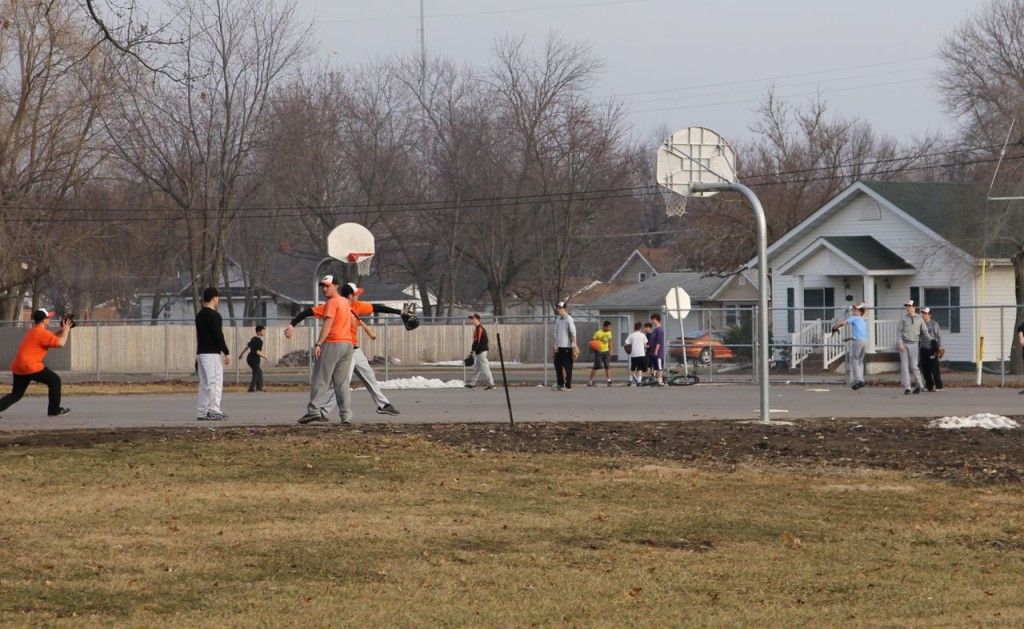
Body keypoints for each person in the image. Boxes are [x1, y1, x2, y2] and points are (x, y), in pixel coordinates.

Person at [285, 280, 400, 419]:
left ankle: (383, 405)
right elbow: (307, 312)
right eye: (356, 294)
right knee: (342, 383)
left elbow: (377, 308)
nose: (358, 296)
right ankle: (323, 411)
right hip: (345, 348)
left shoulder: (357, 306)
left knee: (369, 376)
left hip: (355, 349)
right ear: (350, 296)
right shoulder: (334, 304)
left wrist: (399, 312)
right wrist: (292, 324)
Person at [0, 308, 72, 418]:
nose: (49, 319)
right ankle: (54, 410)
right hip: (31, 366)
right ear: (44, 320)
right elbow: (61, 343)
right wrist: (66, 331)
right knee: (55, 380)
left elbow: (50, 337)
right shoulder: (42, 333)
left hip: (19, 367)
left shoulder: (34, 331)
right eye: (48, 317)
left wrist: (61, 332)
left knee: (16, 394)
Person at [195, 287, 231, 420]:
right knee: (215, 382)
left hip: (201, 353)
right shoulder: (214, 316)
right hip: (212, 354)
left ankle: (202, 411)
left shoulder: (199, 316)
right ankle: (213, 409)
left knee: (204, 384)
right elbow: (218, 335)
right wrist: (226, 352)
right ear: (214, 298)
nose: (218, 300)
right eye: (218, 298)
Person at [831, 303, 869, 390]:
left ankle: (858, 380)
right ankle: (862, 380)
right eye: (853, 310)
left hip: (858, 341)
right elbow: (858, 334)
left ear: (860, 312)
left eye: (855, 310)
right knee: (860, 361)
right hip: (865, 341)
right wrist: (848, 338)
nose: (853, 312)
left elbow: (843, 323)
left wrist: (835, 326)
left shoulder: (854, 318)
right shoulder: (863, 321)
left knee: (854, 360)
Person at [897, 300, 931, 395]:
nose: (908, 308)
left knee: (914, 366)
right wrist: (900, 344)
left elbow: (925, 331)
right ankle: (907, 388)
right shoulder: (903, 319)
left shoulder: (919, 318)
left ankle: (921, 385)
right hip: (904, 344)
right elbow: (899, 332)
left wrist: (932, 340)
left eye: (909, 306)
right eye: (907, 306)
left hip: (914, 344)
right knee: (904, 366)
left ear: (914, 307)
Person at [465, 313, 496, 390]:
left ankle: (491, 384)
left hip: (481, 351)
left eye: (473, 319)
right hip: (480, 351)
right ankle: (473, 383)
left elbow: (477, 341)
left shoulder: (479, 328)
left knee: (485, 368)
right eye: (471, 319)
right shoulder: (478, 328)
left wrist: (472, 351)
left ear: (477, 319)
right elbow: (478, 341)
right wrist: (474, 351)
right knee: (477, 368)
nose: (471, 320)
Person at [552, 301, 578, 391]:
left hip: (567, 347)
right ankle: (560, 384)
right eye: (558, 308)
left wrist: (574, 345)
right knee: (557, 365)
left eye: (560, 308)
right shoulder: (558, 319)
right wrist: (555, 345)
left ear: (565, 309)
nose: (558, 309)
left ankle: (568, 386)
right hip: (559, 347)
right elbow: (556, 333)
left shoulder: (569, 319)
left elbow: (573, 332)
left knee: (568, 367)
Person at [918, 307, 944, 392]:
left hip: (933, 348)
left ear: (930, 315)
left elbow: (939, 336)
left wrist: (940, 347)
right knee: (925, 368)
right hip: (923, 348)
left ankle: (939, 386)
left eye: (925, 313)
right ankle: (929, 385)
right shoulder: (920, 324)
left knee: (934, 368)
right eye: (922, 313)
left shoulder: (934, 324)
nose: (923, 315)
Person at [239, 325, 269, 392]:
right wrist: (266, 357)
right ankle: (251, 388)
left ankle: (260, 388)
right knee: (256, 372)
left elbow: (247, 346)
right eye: (263, 331)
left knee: (259, 371)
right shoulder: (259, 341)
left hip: (249, 358)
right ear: (258, 332)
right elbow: (258, 352)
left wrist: (241, 354)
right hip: (254, 359)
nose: (264, 332)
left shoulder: (253, 338)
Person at [587, 321, 613, 387]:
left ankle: (609, 381)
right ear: (604, 326)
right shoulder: (598, 333)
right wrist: (592, 345)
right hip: (599, 352)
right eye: (609, 327)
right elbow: (592, 342)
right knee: (596, 367)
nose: (610, 328)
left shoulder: (609, 332)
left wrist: (611, 350)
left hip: (606, 352)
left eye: (610, 327)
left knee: (607, 366)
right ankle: (590, 381)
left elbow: (610, 341)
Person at [648, 313, 667, 386]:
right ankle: (657, 380)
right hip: (653, 352)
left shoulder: (659, 330)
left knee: (659, 367)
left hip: (658, 353)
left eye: (652, 319)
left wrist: (656, 351)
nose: (651, 321)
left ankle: (660, 381)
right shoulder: (654, 330)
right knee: (656, 367)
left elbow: (659, 342)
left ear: (655, 319)